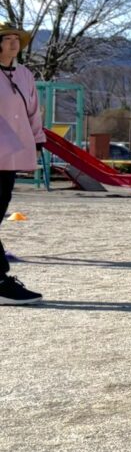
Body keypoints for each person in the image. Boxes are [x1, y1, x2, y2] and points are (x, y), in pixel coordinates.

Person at [0, 21, 44, 303]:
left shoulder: (25, 74)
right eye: (7, 39)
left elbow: (34, 111)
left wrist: (38, 139)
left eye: (18, 39)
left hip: (12, 153)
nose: (14, 43)